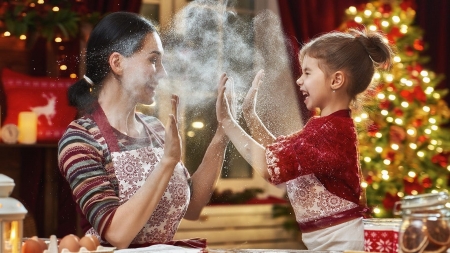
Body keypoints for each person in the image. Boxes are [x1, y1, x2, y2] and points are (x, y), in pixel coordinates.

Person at [58, 12, 229, 249]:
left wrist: (222, 132)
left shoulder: (155, 129)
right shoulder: (81, 140)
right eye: (153, 60)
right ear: (117, 63)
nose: (163, 73)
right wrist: (167, 162)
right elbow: (117, 233)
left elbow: (193, 207)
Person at [216, 28, 395, 250]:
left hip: (343, 243)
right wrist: (250, 115)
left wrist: (228, 122)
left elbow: (268, 166)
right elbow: (278, 153)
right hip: (327, 242)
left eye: (308, 73)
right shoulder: (322, 127)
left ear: (336, 80)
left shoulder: (332, 132)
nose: (300, 80)